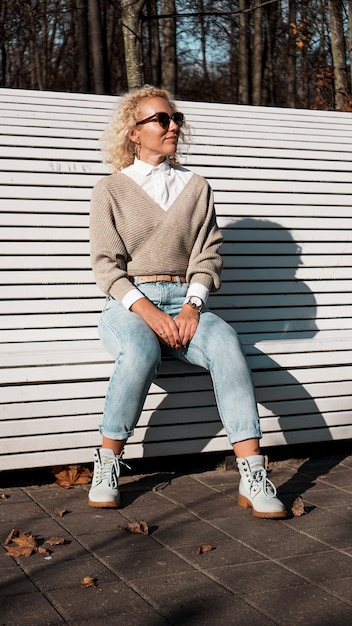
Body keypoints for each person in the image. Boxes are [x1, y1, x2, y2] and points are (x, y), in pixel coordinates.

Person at [89, 85, 287, 519]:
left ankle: (252, 475)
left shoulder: (196, 187)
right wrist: (150, 313)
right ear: (134, 133)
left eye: (175, 118)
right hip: (129, 306)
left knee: (228, 346)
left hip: (186, 301)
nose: (174, 125)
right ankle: (106, 464)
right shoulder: (110, 190)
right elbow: (107, 267)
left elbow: (207, 257)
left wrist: (191, 307)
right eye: (162, 119)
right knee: (140, 351)